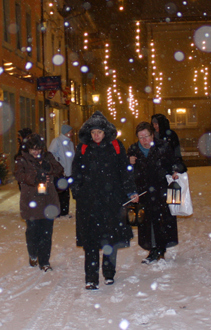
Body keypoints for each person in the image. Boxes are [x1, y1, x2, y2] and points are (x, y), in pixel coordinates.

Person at [71, 111, 139, 290]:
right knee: (91, 241)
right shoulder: (83, 148)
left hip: (111, 201)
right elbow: (76, 171)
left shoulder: (116, 146)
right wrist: (77, 191)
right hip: (89, 203)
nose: (96, 136)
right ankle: (91, 278)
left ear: (105, 132)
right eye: (93, 133)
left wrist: (130, 190)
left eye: (99, 132)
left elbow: (124, 171)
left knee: (110, 239)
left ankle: (109, 273)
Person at [127, 122, 186, 263]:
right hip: (143, 193)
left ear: (152, 135)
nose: (144, 140)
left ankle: (160, 249)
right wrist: (128, 162)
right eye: (140, 137)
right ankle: (153, 250)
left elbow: (175, 163)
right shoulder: (133, 150)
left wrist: (175, 170)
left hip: (162, 191)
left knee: (162, 221)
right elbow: (126, 173)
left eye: (146, 136)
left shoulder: (163, 147)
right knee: (147, 223)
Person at [14, 133, 64, 272]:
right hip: (31, 201)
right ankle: (33, 253)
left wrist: (49, 168)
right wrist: (35, 177)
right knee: (33, 232)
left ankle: (44, 261)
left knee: (46, 233)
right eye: (33, 149)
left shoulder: (48, 157)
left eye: (38, 149)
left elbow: (59, 169)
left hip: (48, 200)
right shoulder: (22, 160)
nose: (36, 152)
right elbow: (19, 175)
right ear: (28, 149)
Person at [47, 124, 74, 217]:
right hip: (59, 172)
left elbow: (71, 157)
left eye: (71, 132)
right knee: (59, 192)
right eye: (69, 131)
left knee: (66, 193)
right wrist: (58, 165)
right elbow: (50, 154)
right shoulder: (57, 141)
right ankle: (57, 212)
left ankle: (64, 212)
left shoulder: (70, 143)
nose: (71, 133)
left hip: (68, 172)